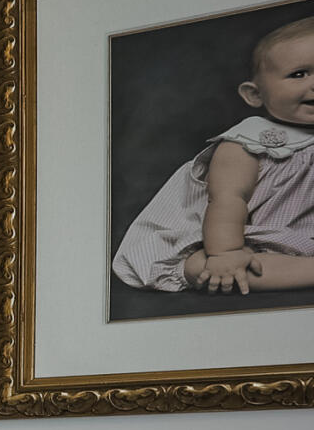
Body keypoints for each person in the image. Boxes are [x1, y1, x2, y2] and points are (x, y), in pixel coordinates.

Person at [112, 15, 314, 297]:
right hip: (246, 239)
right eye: (299, 74)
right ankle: (206, 265)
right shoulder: (247, 140)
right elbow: (229, 199)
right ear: (255, 94)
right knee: (231, 269)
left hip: (304, 237)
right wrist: (226, 253)